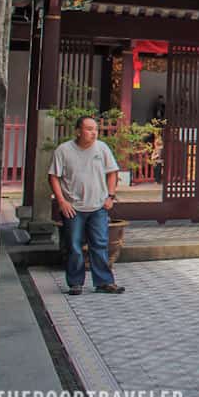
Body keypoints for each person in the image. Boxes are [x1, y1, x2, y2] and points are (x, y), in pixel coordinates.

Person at [48, 116, 125, 295]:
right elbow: (53, 176)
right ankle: (75, 283)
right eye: (89, 129)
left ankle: (104, 282)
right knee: (74, 245)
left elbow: (112, 172)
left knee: (99, 244)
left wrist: (110, 196)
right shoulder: (64, 150)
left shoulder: (102, 148)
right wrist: (61, 201)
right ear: (78, 131)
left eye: (95, 129)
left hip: (98, 206)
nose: (93, 132)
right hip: (73, 206)